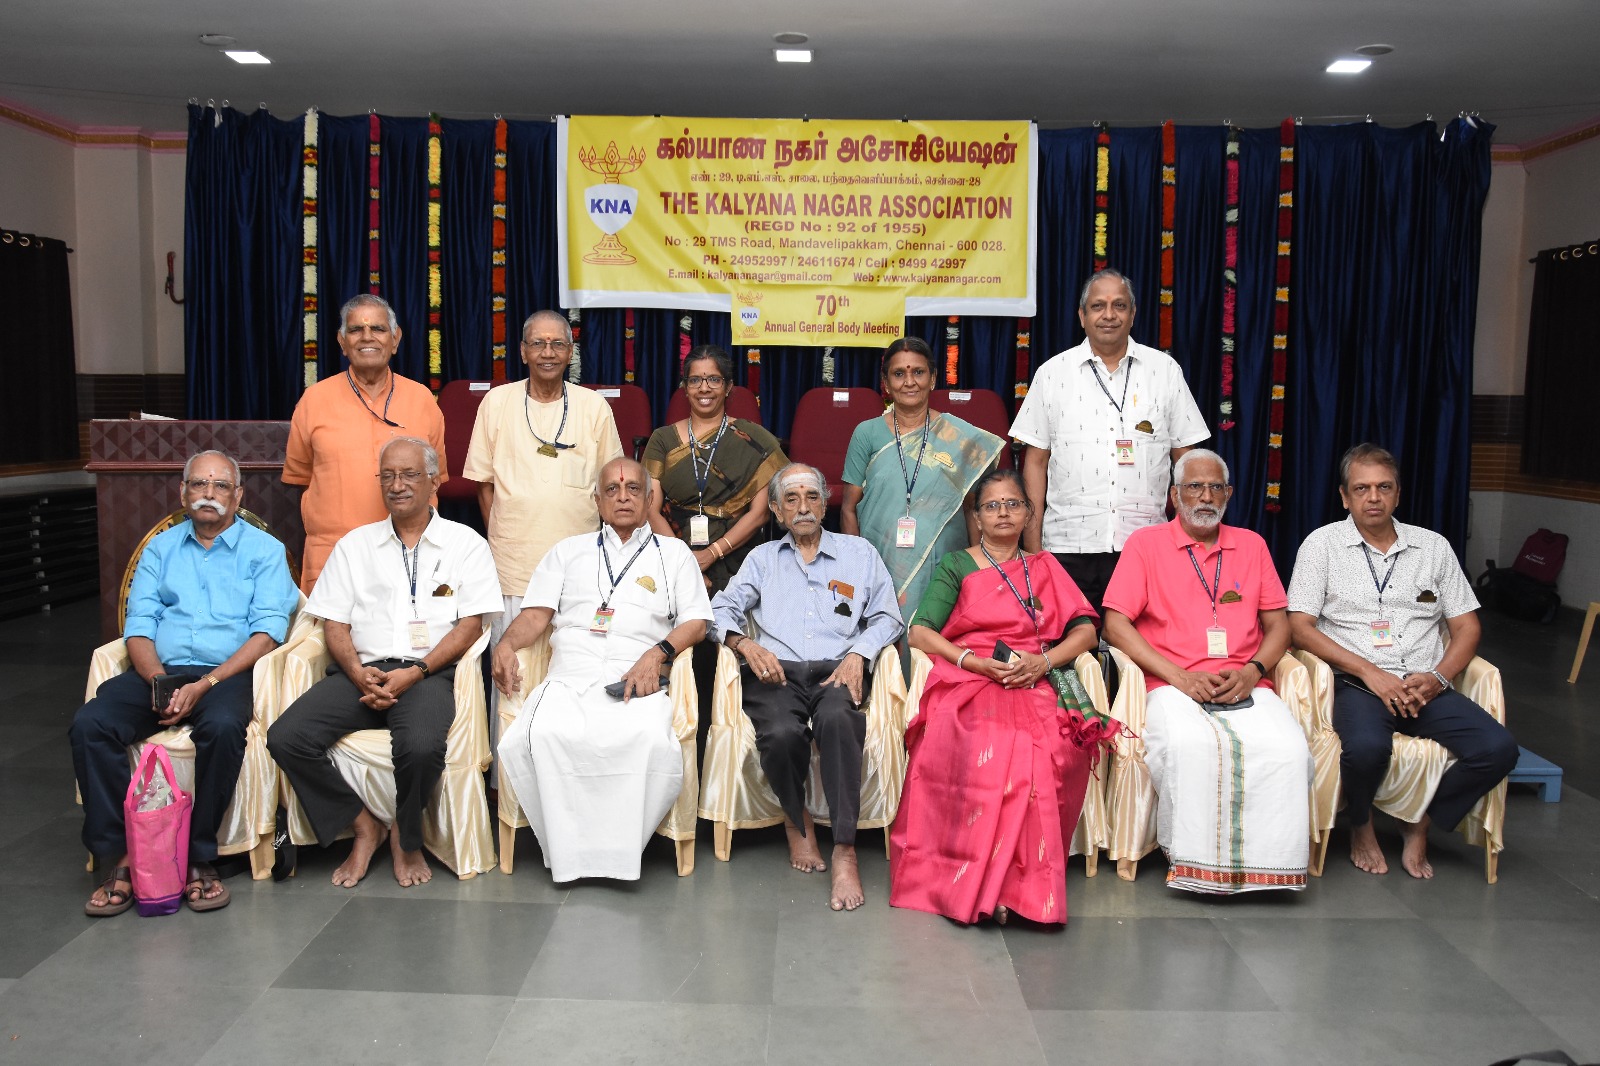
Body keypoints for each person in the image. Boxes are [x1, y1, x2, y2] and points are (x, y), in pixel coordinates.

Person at [267, 438, 502, 889]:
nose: (397, 485)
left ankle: (405, 837)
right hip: (363, 671)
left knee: (421, 746)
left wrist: (416, 672)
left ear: (434, 481)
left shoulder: (465, 544)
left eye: (409, 475)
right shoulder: (355, 545)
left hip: (427, 673)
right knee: (286, 737)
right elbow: (333, 623)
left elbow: (471, 625)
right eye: (388, 476)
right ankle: (363, 826)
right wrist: (358, 673)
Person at [72, 450, 298, 915]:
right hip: (162, 670)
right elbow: (139, 626)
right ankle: (122, 856)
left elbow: (267, 633)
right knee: (91, 724)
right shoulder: (160, 549)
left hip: (226, 674)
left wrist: (207, 683)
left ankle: (198, 856)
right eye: (199, 484)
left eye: (220, 486)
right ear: (183, 492)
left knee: (223, 728)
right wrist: (159, 681)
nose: (208, 494)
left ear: (238, 495)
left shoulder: (265, 551)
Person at [889, 469, 1116, 925]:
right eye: (992, 506)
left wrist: (1043, 663)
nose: (1003, 513)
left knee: (1051, 750)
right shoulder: (957, 566)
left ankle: (1020, 889)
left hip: (1036, 679)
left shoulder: (1045, 567)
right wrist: (973, 662)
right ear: (976, 517)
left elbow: (1087, 632)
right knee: (985, 750)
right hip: (971, 681)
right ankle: (974, 882)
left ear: (1029, 513)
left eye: (1013, 504)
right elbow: (920, 633)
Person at [1287, 443, 1517, 878]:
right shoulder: (1322, 546)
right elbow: (1299, 627)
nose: (1373, 497)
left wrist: (1438, 678)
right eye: (1361, 488)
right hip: (1358, 683)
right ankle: (1361, 825)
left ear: (1398, 493)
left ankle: (1421, 822)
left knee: (1498, 749)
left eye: (1384, 487)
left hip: (1424, 684)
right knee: (1366, 749)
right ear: (1344, 497)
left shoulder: (1433, 547)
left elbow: (1467, 627)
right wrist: (1370, 672)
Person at [1101, 449, 1312, 894]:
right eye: (1194, 486)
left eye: (1216, 487)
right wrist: (1179, 677)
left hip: (1245, 682)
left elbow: (1280, 626)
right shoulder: (1146, 544)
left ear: (1229, 494)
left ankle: (1268, 868)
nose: (1205, 496)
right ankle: (1198, 867)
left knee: (1289, 750)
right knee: (1189, 746)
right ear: (1175, 495)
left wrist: (1253, 671)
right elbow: (1115, 624)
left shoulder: (1251, 545)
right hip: (1170, 683)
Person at [493, 458, 712, 882]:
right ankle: (569, 851)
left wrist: (658, 653)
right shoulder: (567, 551)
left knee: (646, 738)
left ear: (650, 498)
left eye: (633, 489)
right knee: (542, 734)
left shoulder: (674, 554)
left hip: (637, 676)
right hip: (570, 674)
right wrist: (505, 643)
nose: (622, 497)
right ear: (597, 501)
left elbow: (697, 622)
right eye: (612, 489)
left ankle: (617, 854)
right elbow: (535, 616)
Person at [711, 463, 904, 911]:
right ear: (777, 511)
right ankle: (797, 821)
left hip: (838, 669)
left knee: (838, 721)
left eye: (812, 496)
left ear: (825, 503)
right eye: (791, 499)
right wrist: (744, 644)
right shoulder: (762, 559)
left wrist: (859, 655)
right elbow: (719, 611)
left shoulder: (859, 553)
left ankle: (844, 849)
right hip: (776, 672)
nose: (803, 507)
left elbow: (888, 617)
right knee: (780, 733)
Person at [1010, 269, 1209, 611]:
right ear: (1082, 316)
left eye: (1119, 305)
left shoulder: (1164, 371)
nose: (1109, 315)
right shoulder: (1052, 374)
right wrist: (1033, 551)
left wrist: (1186, 538)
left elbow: (1187, 461)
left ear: (1133, 314)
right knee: (1070, 643)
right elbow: (1035, 463)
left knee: (1141, 642)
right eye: (1098, 306)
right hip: (1067, 545)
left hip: (1146, 545)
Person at [643, 344, 786, 758]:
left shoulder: (755, 439)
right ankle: (678, 742)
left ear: (728, 387)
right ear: (684, 386)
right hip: (673, 551)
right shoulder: (662, 440)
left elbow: (761, 511)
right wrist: (686, 560)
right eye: (695, 380)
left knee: (730, 646)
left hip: (739, 556)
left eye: (713, 379)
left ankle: (729, 747)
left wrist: (714, 553)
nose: (704, 388)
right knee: (679, 644)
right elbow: (649, 507)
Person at [464, 310, 625, 646]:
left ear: (570, 352)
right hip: (513, 565)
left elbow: (612, 487)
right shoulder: (496, 403)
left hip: (580, 565)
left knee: (575, 661)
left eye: (557, 344)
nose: (548, 353)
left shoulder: (594, 406)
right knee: (512, 665)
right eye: (538, 343)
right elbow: (484, 485)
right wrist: (503, 542)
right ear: (523, 352)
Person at [283, 294, 448, 592]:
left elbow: (434, 480)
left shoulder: (422, 399)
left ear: (395, 339)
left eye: (378, 329)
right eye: (356, 329)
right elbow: (302, 479)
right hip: (332, 557)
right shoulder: (314, 400)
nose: (367, 337)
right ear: (342, 342)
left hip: (409, 555)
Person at [841, 337, 1003, 621]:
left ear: (933, 378)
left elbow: (972, 508)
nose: (909, 382)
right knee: (884, 639)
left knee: (938, 637)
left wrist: (978, 571)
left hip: (945, 565)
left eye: (918, 372)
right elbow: (848, 508)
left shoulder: (959, 437)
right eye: (898, 374)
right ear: (886, 383)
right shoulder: (866, 434)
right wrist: (857, 570)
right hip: (880, 563)